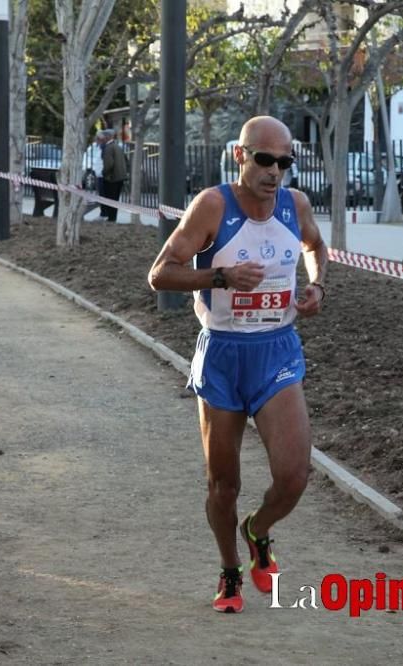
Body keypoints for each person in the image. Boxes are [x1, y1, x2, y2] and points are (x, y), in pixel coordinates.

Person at [148, 115, 327, 614]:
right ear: (240, 156)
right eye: (265, 159)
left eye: (285, 162)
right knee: (223, 485)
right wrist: (221, 277)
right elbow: (160, 274)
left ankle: (258, 530)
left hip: (277, 349)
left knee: (294, 476)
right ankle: (230, 571)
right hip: (224, 354)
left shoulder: (296, 205)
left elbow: (315, 247)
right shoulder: (212, 205)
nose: (275, 171)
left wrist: (316, 285)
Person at [100, 129, 128, 221]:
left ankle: (111, 218)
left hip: (112, 178)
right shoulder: (118, 147)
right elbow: (126, 161)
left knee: (110, 199)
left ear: (107, 137)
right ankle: (113, 218)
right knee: (115, 200)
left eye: (103, 137)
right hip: (120, 177)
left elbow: (109, 164)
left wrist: (104, 173)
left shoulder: (108, 148)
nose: (102, 139)